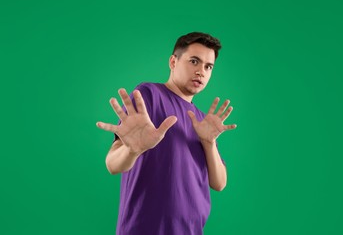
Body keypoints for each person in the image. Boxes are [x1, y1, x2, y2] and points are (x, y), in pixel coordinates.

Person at [96, 32, 237, 235]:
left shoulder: (201, 120)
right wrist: (132, 150)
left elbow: (219, 182)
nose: (201, 71)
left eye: (208, 66)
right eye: (194, 61)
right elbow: (112, 164)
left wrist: (209, 142)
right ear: (173, 61)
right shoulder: (149, 95)